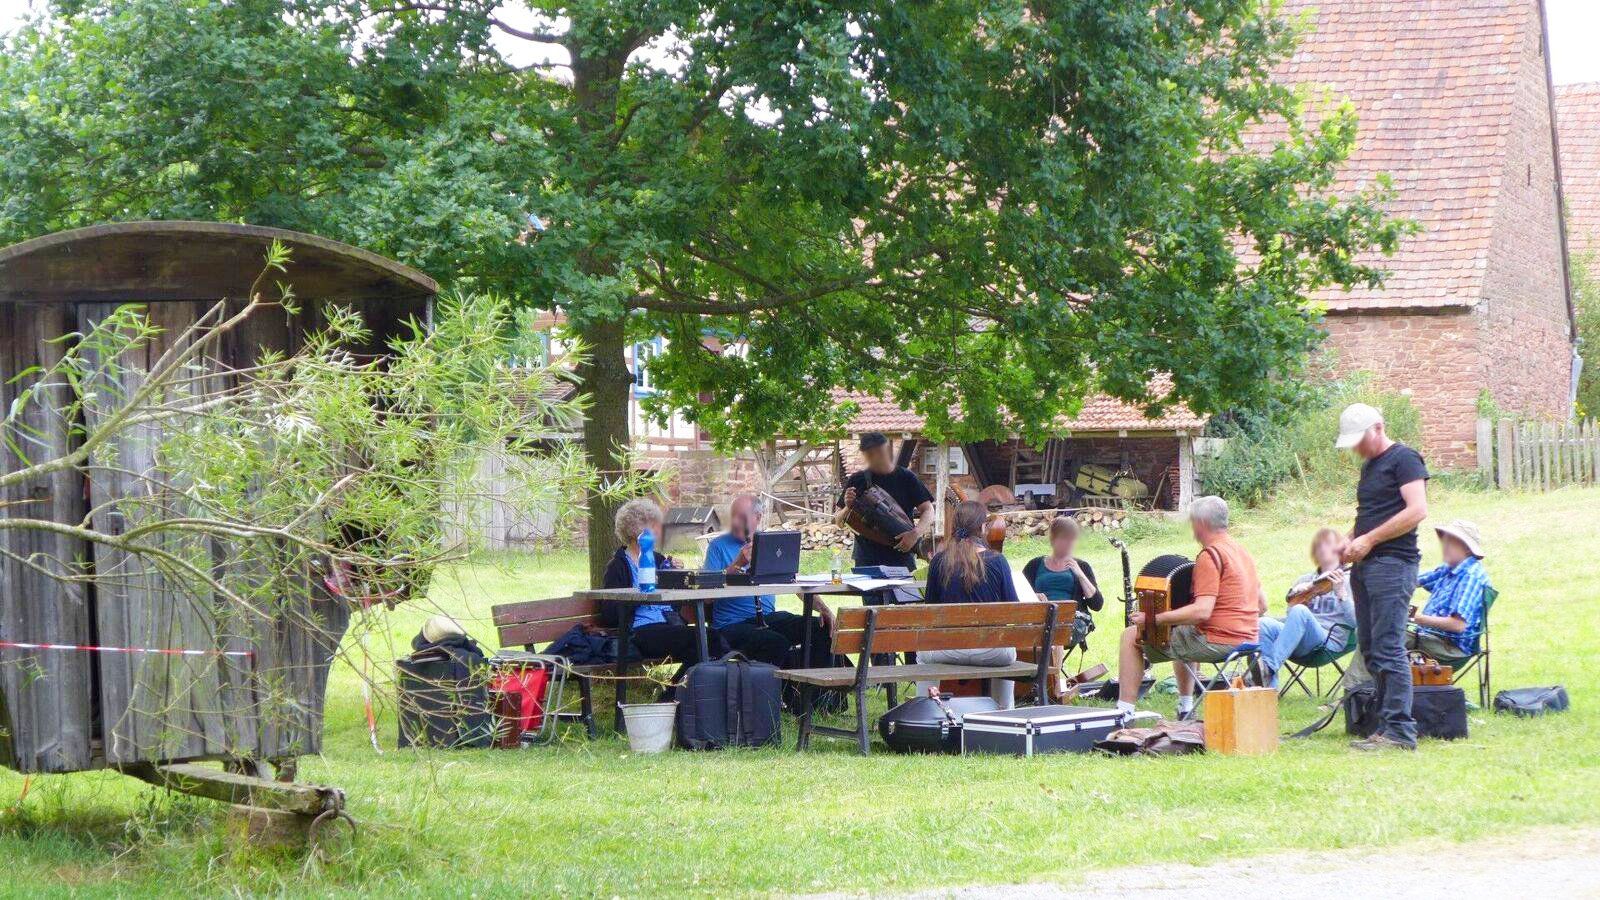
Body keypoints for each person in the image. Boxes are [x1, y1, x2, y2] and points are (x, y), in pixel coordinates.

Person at [1117, 495, 1262, 722]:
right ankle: (1185, 708)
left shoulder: (1210, 555)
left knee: (1129, 637)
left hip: (1217, 641)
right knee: (1182, 630)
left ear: (1201, 524)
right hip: (1250, 639)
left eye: (1192, 522)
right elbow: (1261, 605)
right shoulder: (1241, 552)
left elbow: (1202, 611)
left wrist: (1154, 619)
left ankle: (1123, 713)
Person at [1336, 402, 1429, 752]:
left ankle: (1400, 732)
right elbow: (1369, 516)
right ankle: (1385, 725)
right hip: (1366, 566)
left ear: (1379, 427)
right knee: (1372, 649)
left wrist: (1370, 540)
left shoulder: (1405, 459)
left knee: (1389, 648)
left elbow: (1417, 510)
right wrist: (1350, 541)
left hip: (1393, 564)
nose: (1357, 448)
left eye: (1361, 439)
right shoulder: (1370, 467)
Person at [704, 494, 833, 667]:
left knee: (820, 628)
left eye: (741, 517)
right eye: (733, 516)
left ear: (757, 518)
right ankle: (778, 691)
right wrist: (737, 564)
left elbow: (795, 582)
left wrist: (824, 610)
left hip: (767, 618)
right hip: (732, 624)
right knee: (775, 643)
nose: (735, 522)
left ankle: (817, 692)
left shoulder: (770, 544)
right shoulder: (718, 546)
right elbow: (706, 594)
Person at [602, 498, 725, 680]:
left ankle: (674, 694)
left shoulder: (659, 560)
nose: (659, 531)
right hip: (642, 631)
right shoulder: (618, 566)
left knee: (708, 642)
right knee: (709, 640)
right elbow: (610, 614)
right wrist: (640, 595)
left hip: (670, 624)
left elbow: (674, 603)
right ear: (639, 531)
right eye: (655, 526)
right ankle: (674, 695)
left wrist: (676, 577)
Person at [913, 501, 1021, 708]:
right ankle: (1005, 712)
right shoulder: (998, 561)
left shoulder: (938, 561)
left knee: (922, 654)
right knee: (1008, 650)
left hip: (946, 650)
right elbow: (1013, 610)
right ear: (982, 528)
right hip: (993, 654)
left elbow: (931, 611)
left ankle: (924, 710)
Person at [1256, 527, 1357, 687]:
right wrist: (1298, 595)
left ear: (1340, 548)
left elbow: (1355, 622)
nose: (1323, 548)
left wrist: (1342, 594)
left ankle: (1268, 667)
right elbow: (1291, 617)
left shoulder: (1349, 580)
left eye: (1329, 544)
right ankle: (1268, 689)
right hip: (1297, 640)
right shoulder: (1305, 580)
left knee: (1301, 611)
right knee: (1263, 623)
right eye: (1319, 545)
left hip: (1327, 642)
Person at [834, 432, 935, 571]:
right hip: (866, 559)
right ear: (865, 455)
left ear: (886, 450)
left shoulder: (906, 478)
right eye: (870, 454)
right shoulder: (857, 479)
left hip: (901, 557)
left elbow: (928, 510)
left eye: (879, 453)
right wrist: (847, 507)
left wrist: (915, 534)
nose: (876, 458)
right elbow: (839, 522)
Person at [1409, 520, 1492, 660]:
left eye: (1451, 543)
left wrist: (1414, 618)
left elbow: (1458, 625)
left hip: (1450, 646)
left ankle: (1361, 681)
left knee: (1385, 637)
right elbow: (1414, 581)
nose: (1444, 547)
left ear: (1466, 548)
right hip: (1431, 637)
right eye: (1444, 542)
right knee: (1382, 630)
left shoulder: (1471, 576)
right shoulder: (1450, 568)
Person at [1022, 515, 1103, 651]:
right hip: (1040, 618)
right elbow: (1019, 594)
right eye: (1064, 538)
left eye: (1072, 539)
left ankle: (1052, 672)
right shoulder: (1035, 565)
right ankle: (1037, 670)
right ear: (1053, 539)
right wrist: (1034, 596)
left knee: (1055, 631)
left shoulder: (1082, 566)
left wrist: (1080, 575)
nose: (1069, 543)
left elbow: (1097, 605)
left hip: (1072, 619)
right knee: (1028, 633)